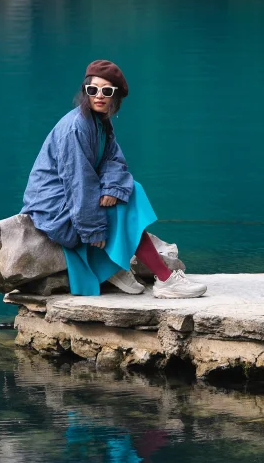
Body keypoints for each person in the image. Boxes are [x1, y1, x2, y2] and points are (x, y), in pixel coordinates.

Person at [21, 59, 206, 298]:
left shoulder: (101, 124)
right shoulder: (76, 127)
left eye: (106, 91)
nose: (99, 96)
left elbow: (114, 161)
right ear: (85, 91)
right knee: (125, 204)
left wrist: (112, 188)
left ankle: (124, 267)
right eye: (93, 89)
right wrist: (93, 230)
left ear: (115, 97)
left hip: (76, 196)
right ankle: (162, 277)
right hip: (54, 205)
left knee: (129, 191)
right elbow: (79, 182)